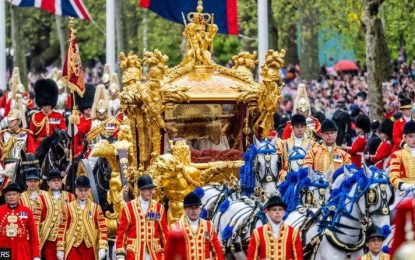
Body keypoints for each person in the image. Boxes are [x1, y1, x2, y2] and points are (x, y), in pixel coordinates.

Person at [115, 175, 169, 260]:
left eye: (152, 189)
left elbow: (164, 232)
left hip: (154, 253)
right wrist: (120, 253)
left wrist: (168, 252)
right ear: (140, 190)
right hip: (135, 253)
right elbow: (122, 232)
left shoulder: (159, 207)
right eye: (148, 189)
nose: (151, 191)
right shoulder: (129, 207)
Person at [56, 176, 108, 260]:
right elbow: (61, 229)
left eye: (86, 190)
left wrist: (102, 247)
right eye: (80, 190)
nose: (83, 193)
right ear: (76, 190)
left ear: (90, 191)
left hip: (90, 248)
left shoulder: (96, 208)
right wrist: (60, 248)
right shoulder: (67, 207)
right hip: (73, 248)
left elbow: (102, 229)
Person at [167, 192, 224, 260]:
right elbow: (171, 254)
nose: (194, 211)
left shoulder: (209, 225)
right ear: (185, 209)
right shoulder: (176, 227)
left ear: (200, 209)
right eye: (191, 208)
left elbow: (217, 250)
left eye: (196, 207)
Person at [247, 195, 303, 260]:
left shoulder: (293, 232)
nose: (277, 212)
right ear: (268, 212)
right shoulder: (257, 233)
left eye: (280, 209)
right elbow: (251, 258)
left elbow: (298, 257)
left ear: (284, 212)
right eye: (274, 210)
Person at [39, 169, 75, 260]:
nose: (56, 182)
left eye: (58, 180)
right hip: (50, 240)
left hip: (68, 239)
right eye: (53, 180)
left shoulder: (71, 196)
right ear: (48, 183)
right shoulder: (41, 198)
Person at [0, 183, 41, 260]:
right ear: (5, 196)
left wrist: (36, 255)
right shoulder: (0, 210)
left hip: (22, 249)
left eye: (14, 194)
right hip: (3, 249)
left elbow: (33, 235)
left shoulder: (27, 211)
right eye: (8, 195)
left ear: (19, 196)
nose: (11, 197)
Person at [0, 107, 35, 190]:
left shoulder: (26, 134)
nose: (9, 122)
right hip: (5, 165)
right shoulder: (3, 134)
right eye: (9, 120)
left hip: (22, 165)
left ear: (19, 121)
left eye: (12, 121)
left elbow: (31, 152)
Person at [276, 114, 318, 180]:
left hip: (307, 179)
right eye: (297, 127)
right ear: (292, 128)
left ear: (305, 127)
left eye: (302, 126)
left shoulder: (313, 144)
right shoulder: (283, 144)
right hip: (288, 179)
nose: (300, 129)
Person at [29, 79, 67, 150]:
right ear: (41, 105)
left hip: (54, 144)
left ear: (51, 104)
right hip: (39, 146)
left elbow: (63, 130)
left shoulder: (58, 116)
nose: (46, 107)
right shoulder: (35, 116)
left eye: (48, 105)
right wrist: (31, 150)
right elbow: (31, 135)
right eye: (44, 105)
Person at [68, 84, 95, 157]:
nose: (89, 108)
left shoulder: (96, 119)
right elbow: (75, 140)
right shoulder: (78, 120)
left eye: (90, 107)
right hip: (82, 151)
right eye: (86, 107)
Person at [19, 162, 46, 228]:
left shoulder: (46, 195)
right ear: (26, 182)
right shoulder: (21, 197)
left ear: (39, 182)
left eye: (35, 181)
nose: (33, 183)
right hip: (26, 228)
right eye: (30, 181)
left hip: (43, 229)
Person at [389, 121, 415, 191]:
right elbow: (393, 178)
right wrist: (405, 186)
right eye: (410, 136)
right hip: (404, 193)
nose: (414, 139)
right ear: (405, 138)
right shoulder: (397, 155)